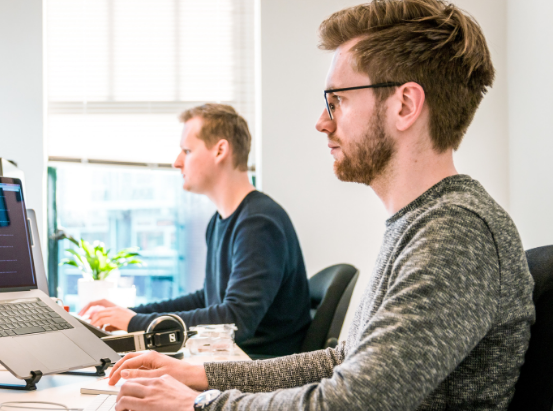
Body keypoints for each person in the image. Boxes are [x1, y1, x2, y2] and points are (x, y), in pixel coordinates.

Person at [105, 1, 536, 410]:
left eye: (338, 100)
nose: (322, 121)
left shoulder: (456, 231)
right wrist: (200, 375)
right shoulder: (421, 222)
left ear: (404, 104)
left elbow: (355, 401)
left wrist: (199, 403)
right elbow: (342, 361)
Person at [79, 104, 312, 357]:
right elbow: (207, 299)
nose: (177, 162)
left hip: (257, 369)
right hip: (231, 359)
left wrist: (135, 323)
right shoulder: (221, 221)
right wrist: (132, 313)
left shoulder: (259, 223)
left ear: (220, 150)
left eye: (187, 151)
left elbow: (235, 321)